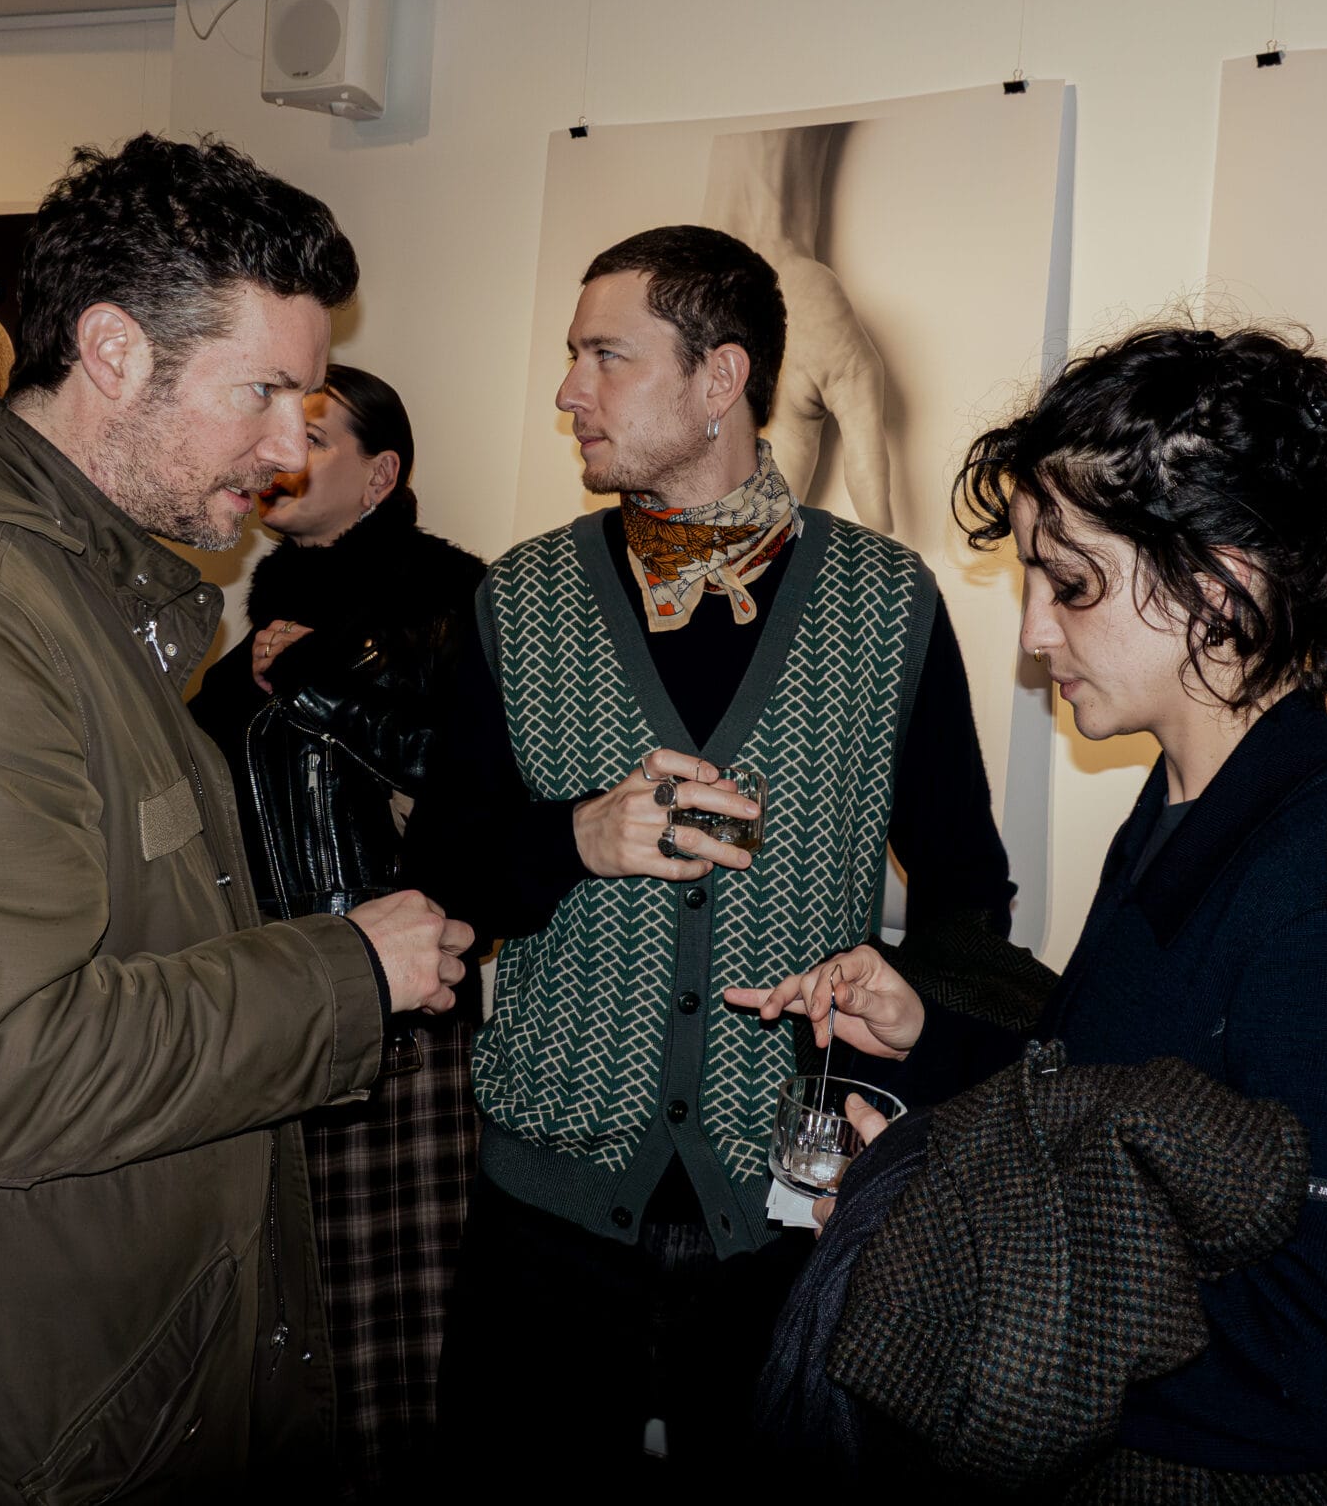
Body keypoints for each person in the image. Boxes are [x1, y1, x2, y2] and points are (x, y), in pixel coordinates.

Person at [0, 134, 475, 1502]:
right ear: (113, 352)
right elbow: (5, 1063)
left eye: (307, 405)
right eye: (264, 393)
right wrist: (344, 971)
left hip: (81, 1359)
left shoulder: (74, 591)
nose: (287, 451)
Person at [733, 323, 1327, 1498]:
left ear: (1220, 588)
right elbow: (1101, 1094)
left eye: (1070, 585)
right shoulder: (1182, 800)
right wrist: (931, 1041)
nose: (1033, 633)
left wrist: (930, 1260)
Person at [407, 224, 1040, 1477]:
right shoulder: (517, 601)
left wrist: (897, 1064)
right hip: (549, 1216)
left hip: (784, 1224)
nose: (567, 390)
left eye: (606, 356)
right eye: (572, 356)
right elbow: (443, 878)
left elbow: (965, 891)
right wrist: (575, 838)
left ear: (720, 378)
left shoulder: (885, 603)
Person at [187, 363, 488, 1495]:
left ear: (380, 475)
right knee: (289, 1312)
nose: (280, 450)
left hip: (400, 1008)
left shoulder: (451, 598)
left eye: (314, 433)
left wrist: (310, 680)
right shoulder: (273, 602)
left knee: (388, 1323)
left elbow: (468, 785)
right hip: (275, 996)